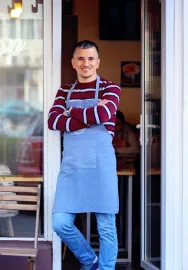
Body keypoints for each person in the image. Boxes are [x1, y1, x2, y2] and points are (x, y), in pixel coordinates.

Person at [47, 40, 121, 270]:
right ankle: (89, 259)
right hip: (72, 167)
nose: (85, 63)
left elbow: (106, 111)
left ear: (98, 62)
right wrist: (91, 115)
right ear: (73, 62)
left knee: (106, 226)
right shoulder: (63, 91)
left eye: (90, 58)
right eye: (80, 58)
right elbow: (53, 121)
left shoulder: (111, 88)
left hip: (101, 165)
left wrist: (72, 113)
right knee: (60, 222)